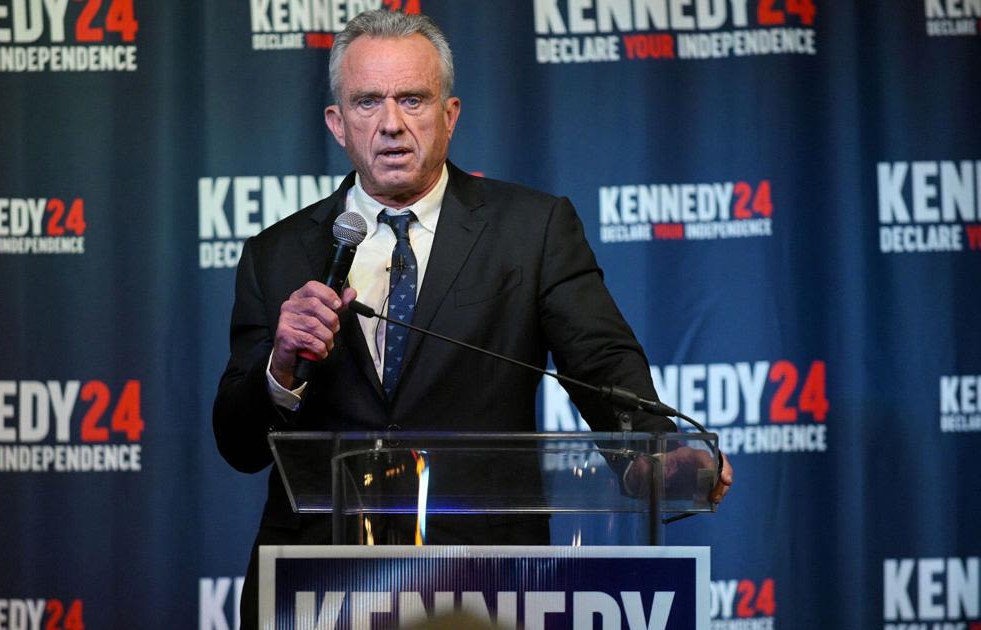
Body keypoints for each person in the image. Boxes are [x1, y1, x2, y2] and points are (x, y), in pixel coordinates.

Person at [212, 9, 733, 627]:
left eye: (413, 99)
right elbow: (239, 443)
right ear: (337, 124)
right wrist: (281, 366)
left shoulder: (531, 229)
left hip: (484, 585)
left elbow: (602, 364)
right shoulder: (277, 252)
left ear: (450, 115)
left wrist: (654, 449)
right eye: (367, 102)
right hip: (319, 583)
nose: (392, 125)